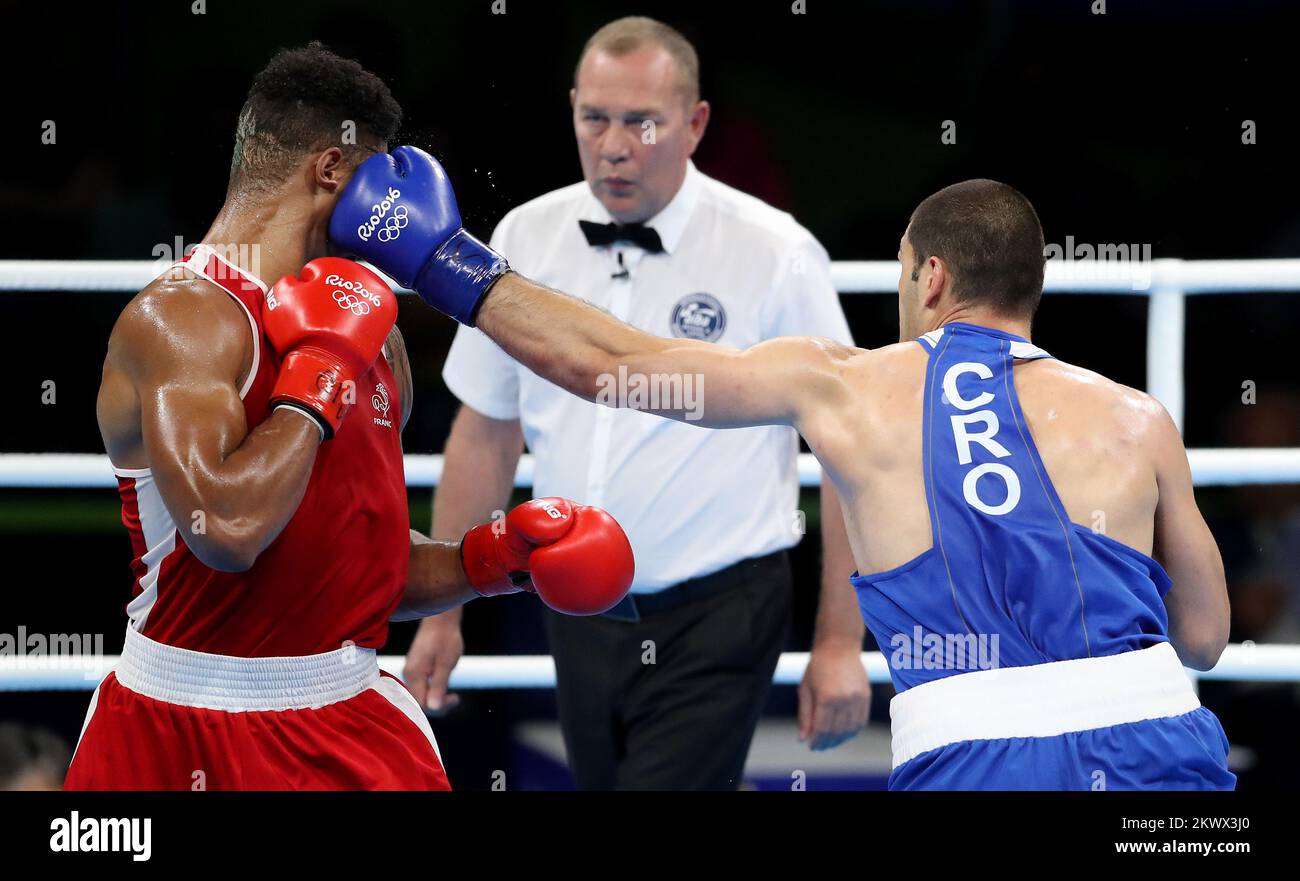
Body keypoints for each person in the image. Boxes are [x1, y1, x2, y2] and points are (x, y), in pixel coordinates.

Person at [331, 158, 1236, 789]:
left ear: (929, 277)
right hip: (1164, 750)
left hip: (976, 758)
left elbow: (615, 365)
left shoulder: (840, 385)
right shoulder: (1139, 418)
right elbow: (1201, 637)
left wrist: (448, 263)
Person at [64, 44, 633, 791]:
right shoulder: (181, 321)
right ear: (331, 171)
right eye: (379, 176)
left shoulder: (377, 334)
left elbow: (366, 566)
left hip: (346, 714)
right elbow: (227, 533)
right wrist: (318, 375)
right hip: (176, 723)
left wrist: (488, 560)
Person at [401, 16, 869, 790]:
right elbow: (486, 431)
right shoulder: (525, 235)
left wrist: (839, 641)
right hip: (573, 604)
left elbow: (852, 452)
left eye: (642, 122)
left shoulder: (774, 251)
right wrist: (445, 612)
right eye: (595, 118)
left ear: (695, 124)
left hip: (721, 609)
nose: (614, 145)